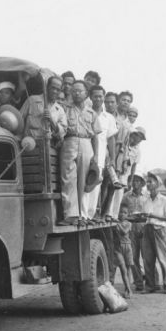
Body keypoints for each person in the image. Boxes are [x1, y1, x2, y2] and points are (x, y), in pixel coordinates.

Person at [58, 81, 101, 225]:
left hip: (86, 143)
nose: (76, 93)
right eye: (74, 91)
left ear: (86, 94)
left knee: (83, 180)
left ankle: (82, 216)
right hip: (69, 141)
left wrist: (96, 155)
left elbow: (95, 136)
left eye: (80, 91)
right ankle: (70, 215)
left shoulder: (91, 113)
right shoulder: (65, 109)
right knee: (68, 178)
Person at [83, 85, 117, 220]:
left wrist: (113, 158)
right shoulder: (85, 112)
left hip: (101, 157)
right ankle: (83, 215)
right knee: (85, 184)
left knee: (95, 185)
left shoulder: (108, 117)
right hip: (86, 153)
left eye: (100, 96)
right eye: (95, 96)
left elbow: (111, 139)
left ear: (104, 97)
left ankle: (90, 216)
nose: (98, 99)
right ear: (90, 97)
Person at [141, 173, 166, 294]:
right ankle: (150, 285)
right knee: (148, 259)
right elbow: (145, 217)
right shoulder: (146, 200)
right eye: (147, 182)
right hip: (148, 229)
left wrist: (152, 215)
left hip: (159, 230)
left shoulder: (164, 200)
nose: (148, 184)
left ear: (157, 184)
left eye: (150, 182)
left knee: (163, 259)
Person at [20, 75, 67, 141]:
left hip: (49, 146)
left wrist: (52, 120)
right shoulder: (32, 100)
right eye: (53, 88)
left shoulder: (60, 110)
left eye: (58, 90)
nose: (55, 91)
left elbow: (62, 133)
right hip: (30, 144)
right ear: (47, 87)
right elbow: (20, 119)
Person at [122, 173, 147, 291]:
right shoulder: (126, 196)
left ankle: (152, 281)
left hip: (144, 227)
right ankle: (138, 282)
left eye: (138, 181)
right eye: (133, 181)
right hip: (131, 227)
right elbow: (122, 211)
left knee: (147, 256)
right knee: (133, 257)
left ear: (142, 183)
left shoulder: (146, 196)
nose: (135, 183)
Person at [113, 204, 134, 298]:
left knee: (128, 269)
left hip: (127, 247)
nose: (122, 214)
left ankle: (127, 288)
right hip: (118, 248)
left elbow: (124, 232)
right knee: (123, 269)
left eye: (125, 212)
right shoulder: (114, 223)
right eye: (120, 212)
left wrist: (118, 224)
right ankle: (129, 290)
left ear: (128, 214)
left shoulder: (129, 223)